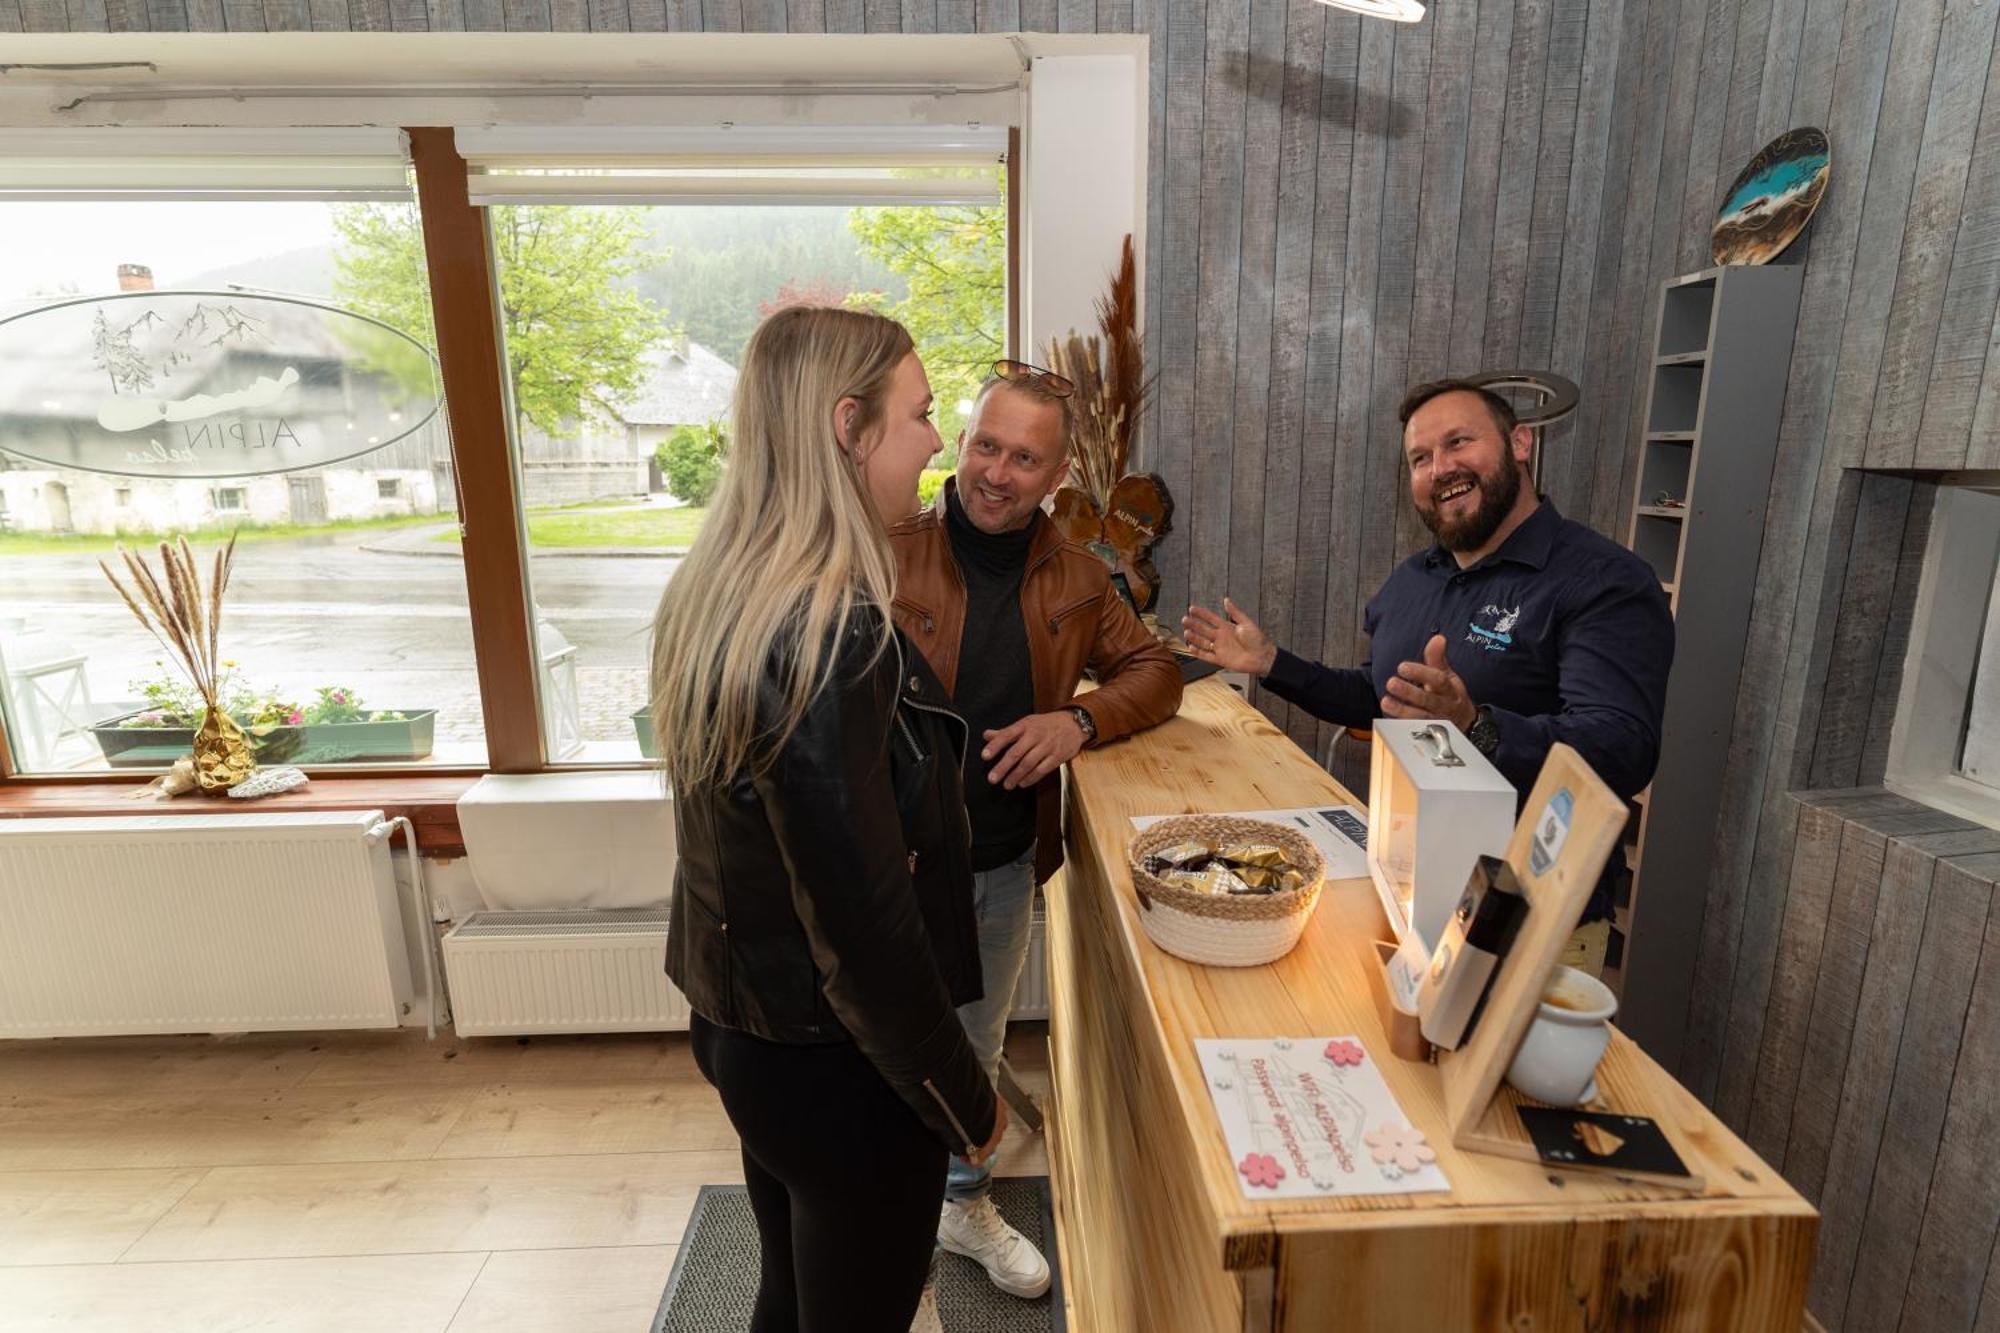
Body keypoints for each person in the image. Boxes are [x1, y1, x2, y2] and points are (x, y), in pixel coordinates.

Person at [656, 306, 1004, 1332]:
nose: (936, 441)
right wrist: (959, 1095)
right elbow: (859, 913)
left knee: (795, 1290)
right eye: (919, 414)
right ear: (848, 427)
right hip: (832, 1061)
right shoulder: (825, 632)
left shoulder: (720, 592)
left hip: (743, 1029)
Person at [1182, 378, 1673, 964]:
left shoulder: (1603, 580)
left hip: (1532, 924)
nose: (1440, 468)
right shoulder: (1415, 578)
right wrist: (1271, 664)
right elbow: (1379, 697)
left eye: (1459, 442)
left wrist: (1473, 725)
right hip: (1405, 892)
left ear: (1520, 443)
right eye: (1421, 458)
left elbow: (1622, 748)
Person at [888, 359, 1183, 1297]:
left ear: (1058, 478)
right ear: (963, 442)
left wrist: (1079, 720)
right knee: (874, 1055)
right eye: (985, 444)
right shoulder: (884, 546)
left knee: (972, 1052)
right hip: (885, 864)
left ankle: (961, 1206)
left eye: (1024, 458)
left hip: (1004, 861)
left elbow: (1157, 670)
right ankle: (875, 1223)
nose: (996, 472)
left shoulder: (1080, 574)